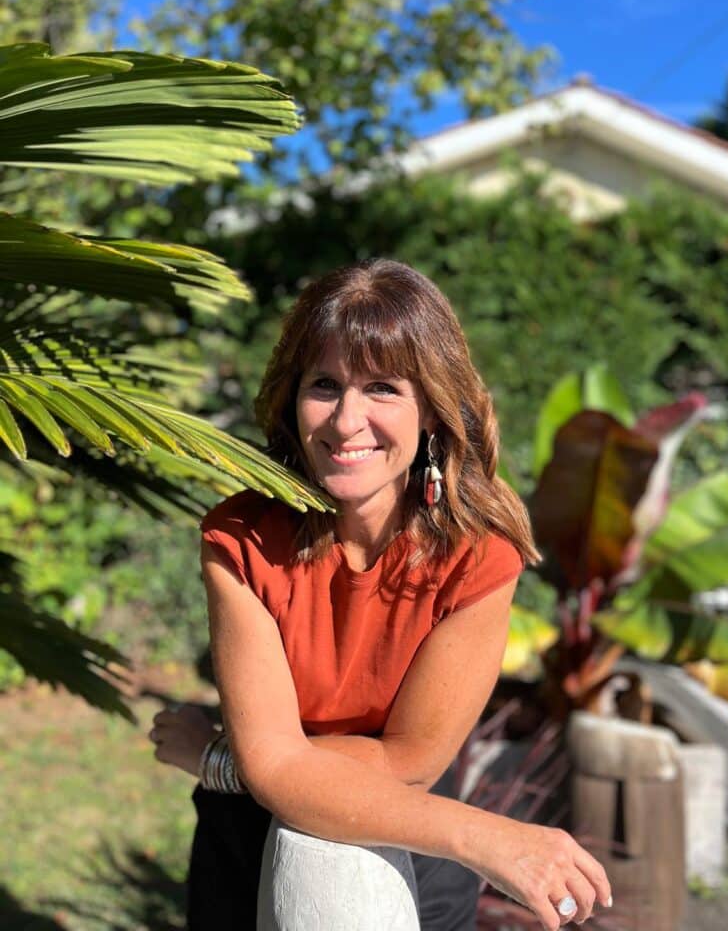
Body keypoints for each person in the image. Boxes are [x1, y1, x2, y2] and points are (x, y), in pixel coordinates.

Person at [149, 259, 612, 931]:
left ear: (430, 407)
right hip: (244, 838)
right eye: (325, 384)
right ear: (292, 397)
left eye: (383, 388)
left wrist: (229, 758)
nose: (346, 420)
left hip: (414, 847)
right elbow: (272, 760)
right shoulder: (241, 538)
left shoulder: (479, 557)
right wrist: (488, 837)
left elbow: (408, 762)